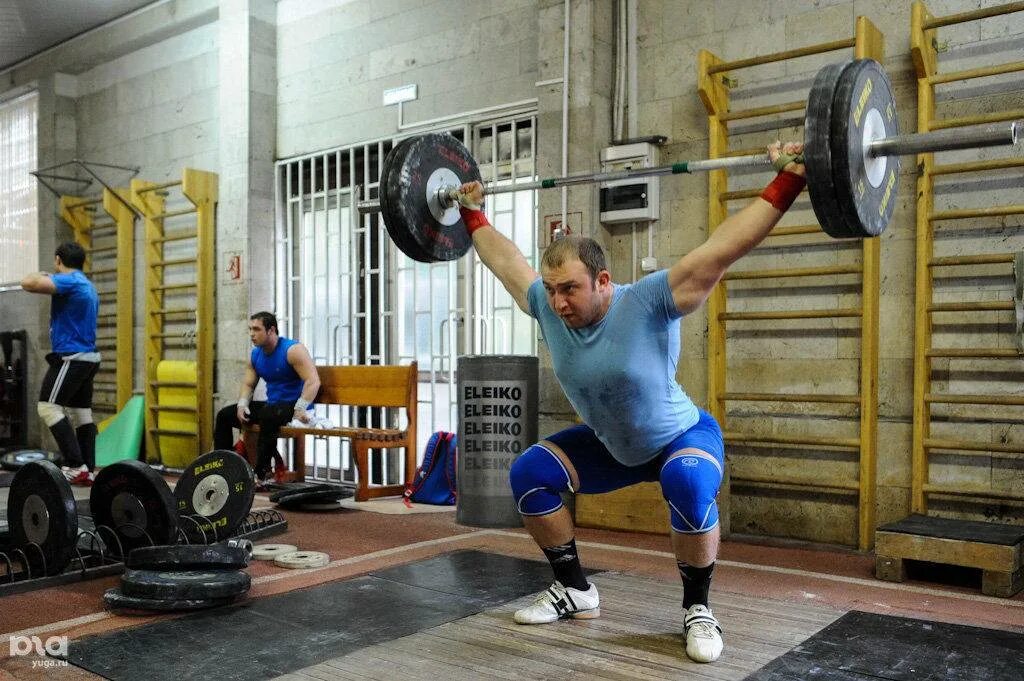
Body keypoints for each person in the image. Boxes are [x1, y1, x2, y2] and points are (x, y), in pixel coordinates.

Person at [457, 142, 806, 664]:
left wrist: (790, 181)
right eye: (552, 291)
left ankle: (698, 609)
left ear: (603, 280)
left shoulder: (648, 300)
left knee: (686, 482)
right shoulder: (548, 307)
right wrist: (470, 212)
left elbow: (721, 250)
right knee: (530, 471)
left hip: (680, 438)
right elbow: (505, 260)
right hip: (614, 446)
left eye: (570, 289)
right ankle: (575, 590)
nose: (558, 303)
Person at [21, 241, 100, 485]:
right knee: (81, 414)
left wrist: (44, 274)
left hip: (72, 358)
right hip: (88, 358)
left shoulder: (72, 280)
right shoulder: (88, 285)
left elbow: (29, 283)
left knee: (48, 407)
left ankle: (75, 465)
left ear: (58, 260)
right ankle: (87, 467)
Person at [213, 312, 320, 485]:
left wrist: (300, 408)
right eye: (250, 329)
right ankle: (224, 469)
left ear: (271, 330)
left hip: (296, 406)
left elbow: (313, 381)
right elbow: (248, 384)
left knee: (268, 416)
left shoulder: (293, 350)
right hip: (273, 406)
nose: (251, 334)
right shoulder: (256, 355)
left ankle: (261, 473)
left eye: (256, 329)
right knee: (225, 415)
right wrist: (242, 404)